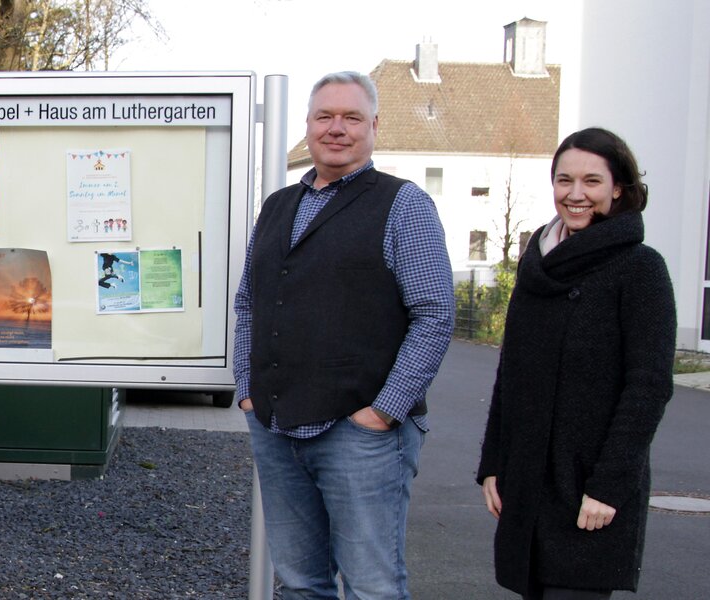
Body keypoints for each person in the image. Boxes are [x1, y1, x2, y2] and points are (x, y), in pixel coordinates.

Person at [232, 71, 455, 599]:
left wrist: (384, 410)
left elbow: (435, 313)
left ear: (374, 126)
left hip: (360, 435)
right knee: (302, 584)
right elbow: (249, 302)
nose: (337, 128)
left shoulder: (403, 205)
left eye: (351, 117)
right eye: (324, 116)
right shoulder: (278, 205)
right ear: (307, 126)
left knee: (372, 587)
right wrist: (247, 389)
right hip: (276, 426)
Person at [477, 128, 674, 600]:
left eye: (592, 181)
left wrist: (609, 486)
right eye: (564, 180)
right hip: (527, 480)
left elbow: (647, 387)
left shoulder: (640, 268)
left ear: (618, 189)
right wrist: (493, 463)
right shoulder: (538, 264)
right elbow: (512, 373)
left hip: (589, 485)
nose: (576, 194)